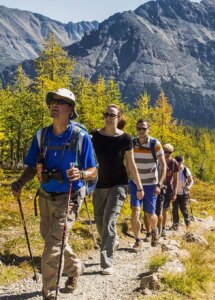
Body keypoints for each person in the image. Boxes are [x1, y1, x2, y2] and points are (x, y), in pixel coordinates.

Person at [11, 88, 97, 300]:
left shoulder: (80, 137)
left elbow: (94, 171)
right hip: (45, 195)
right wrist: (20, 182)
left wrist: (81, 173)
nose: (54, 105)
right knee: (51, 239)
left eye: (60, 101)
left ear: (70, 109)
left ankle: (49, 292)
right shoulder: (42, 136)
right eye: (52, 101)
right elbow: (32, 166)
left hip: (69, 197)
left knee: (52, 246)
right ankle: (76, 267)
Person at [91, 104, 144, 275]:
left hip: (119, 184)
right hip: (99, 184)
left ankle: (107, 262)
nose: (108, 117)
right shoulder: (94, 136)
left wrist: (139, 185)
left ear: (119, 117)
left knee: (109, 221)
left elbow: (131, 163)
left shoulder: (125, 139)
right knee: (99, 221)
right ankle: (112, 241)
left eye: (112, 115)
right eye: (106, 114)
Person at [129, 119, 166, 248]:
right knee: (135, 211)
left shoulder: (155, 144)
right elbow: (128, 161)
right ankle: (137, 239)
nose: (141, 131)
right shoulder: (132, 143)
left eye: (143, 129)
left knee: (150, 214)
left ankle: (154, 230)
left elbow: (163, 165)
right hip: (135, 183)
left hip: (151, 184)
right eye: (138, 128)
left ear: (148, 129)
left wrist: (159, 185)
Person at [159, 143, 179, 236]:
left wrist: (175, 193)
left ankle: (162, 228)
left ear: (172, 153)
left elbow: (175, 179)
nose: (167, 154)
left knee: (165, 209)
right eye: (165, 152)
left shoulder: (174, 163)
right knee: (156, 208)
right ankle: (156, 227)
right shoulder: (158, 160)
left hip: (168, 187)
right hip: (157, 186)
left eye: (169, 152)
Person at [172, 155, 194, 229]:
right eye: (177, 163)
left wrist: (188, 187)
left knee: (183, 208)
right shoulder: (173, 169)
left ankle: (188, 223)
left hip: (184, 193)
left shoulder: (185, 170)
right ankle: (175, 225)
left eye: (179, 163)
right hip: (175, 192)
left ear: (182, 162)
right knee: (174, 209)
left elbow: (191, 181)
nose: (178, 164)